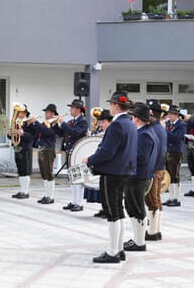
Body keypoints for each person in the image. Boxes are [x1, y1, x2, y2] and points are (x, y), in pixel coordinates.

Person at [82, 92, 137, 264]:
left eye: (111, 105)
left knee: (112, 213)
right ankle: (118, 249)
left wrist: (89, 160)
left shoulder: (116, 125)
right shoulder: (129, 124)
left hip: (112, 173)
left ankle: (113, 252)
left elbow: (107, 151)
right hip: (124, 172)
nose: (110, 108)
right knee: (119, 211)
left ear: (115, 106)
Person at [124, 103, 158, 252]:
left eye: (133, 116)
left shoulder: (144, 134)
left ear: (137, 119)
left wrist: (123, 156)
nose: (131, 119)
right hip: (141, 176)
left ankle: (139, 242)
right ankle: (137, 239)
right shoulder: (148, 131)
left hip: (138, 177)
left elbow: (141, 157)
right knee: (133, 207)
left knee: (136, 208)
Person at [56, 99, 88, 212]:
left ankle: (78, 203)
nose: (70, 109)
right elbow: (61, 133)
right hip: (71, 152)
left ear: (78, 109)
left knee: (78, 178)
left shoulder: (83, 121)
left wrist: (63, 123)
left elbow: (74, 132)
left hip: (78, 153)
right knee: (72, 178)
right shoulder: (72, 121)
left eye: (72, 107)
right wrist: (56, 124)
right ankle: (74, 201)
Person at [27, 104, 59, 204]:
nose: (46, 114)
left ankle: (51, 196)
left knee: (48, 173)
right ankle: (46, 195)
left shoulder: (54, 124)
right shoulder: (44, 123)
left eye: (48, 112)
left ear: (53, 113)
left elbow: (47, 132)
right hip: (41, 149)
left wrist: (35, 122)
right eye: (46, 112)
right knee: (44, 174)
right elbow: (38, 132)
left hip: (48, 150)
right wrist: (30, 124)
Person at [145, 100, 167, 241]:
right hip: (159, 167)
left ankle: (152, 232)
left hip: (153, 168)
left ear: (151, 113)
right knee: (157, 200)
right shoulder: (160, 128)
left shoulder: (153, 129)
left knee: (151, 200)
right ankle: (156, 229)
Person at [7, 104, 35, 199]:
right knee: (20, 170)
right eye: (17, 112)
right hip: (17, 147)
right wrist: (10, 134)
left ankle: (25, 191)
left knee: (26, 170)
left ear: (25, 113)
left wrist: (23, 133)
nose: (18, 114)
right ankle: (22, 190)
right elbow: (11, 136)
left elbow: (32, 137)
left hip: (26, 148)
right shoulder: (15, 123)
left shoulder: (29, 123)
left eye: (20, 112)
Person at [163, 105, 187, 207]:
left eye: (171, 114)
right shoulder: (168, 123)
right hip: (167, 151)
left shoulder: (181, 125)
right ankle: (171, 197)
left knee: (174, 175)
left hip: (176, 152)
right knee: (168, 175)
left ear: (177, 115)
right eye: (169, 114)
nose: (169, 116)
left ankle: (176, 198)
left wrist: (165, 130)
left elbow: (176, 138)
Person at [91, 109, 113, 218]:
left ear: (110, 122)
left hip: (110, 166)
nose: (101, 124)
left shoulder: (112, 132)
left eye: (103, 122)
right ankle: (104, 208)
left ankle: (109, 210)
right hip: (103, 166)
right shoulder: (105, 132)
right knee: (103, 190)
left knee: (109, 191)